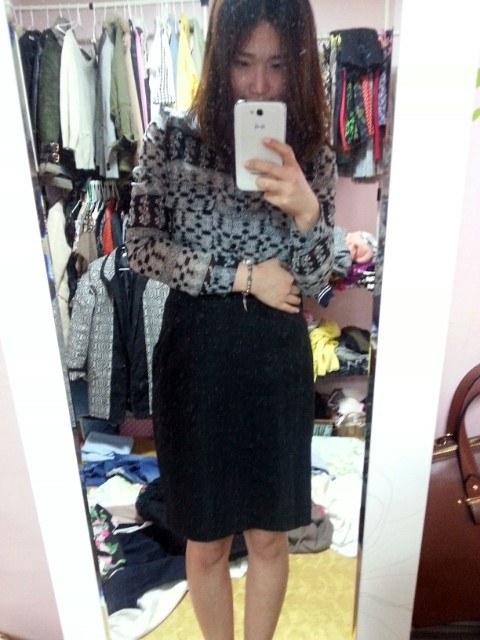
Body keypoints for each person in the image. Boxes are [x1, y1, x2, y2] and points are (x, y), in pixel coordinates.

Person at [126, 1, 374, 638]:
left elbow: (317, 284)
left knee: (268, 535)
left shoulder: (312, 152)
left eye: (277, 65)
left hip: (273, 360)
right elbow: (141, 249)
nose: (260, 85)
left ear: (299, 66)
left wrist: (307, 213)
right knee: (206, 537)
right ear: (219, 61)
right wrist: (240, 276)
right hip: (195, 357)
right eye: (243, 63)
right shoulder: (170, 138)